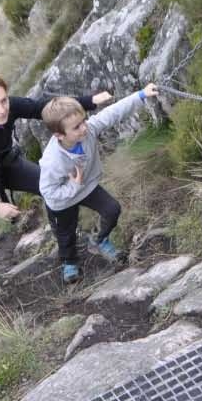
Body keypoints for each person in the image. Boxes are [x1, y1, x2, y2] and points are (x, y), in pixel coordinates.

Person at [0, 72, 111, 287]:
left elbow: (42, 108)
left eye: (4, 100)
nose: (2, 109)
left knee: (53, 190)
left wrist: (89, 101)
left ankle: (68, 257)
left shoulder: (11, 107)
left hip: (6, 165)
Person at [38, 83, 159, 284]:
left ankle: (99, 239)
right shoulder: (52, 161)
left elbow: (113, 113)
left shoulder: (88, 130)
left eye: (83, 121)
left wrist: (140, 95)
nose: (84, 128)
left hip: (87, 186)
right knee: (65, 233)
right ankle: (69, 262)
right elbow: (48, 191)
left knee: (112, 209)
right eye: (76, 127)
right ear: (59, 135)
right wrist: (73, 187)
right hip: (61, 200)